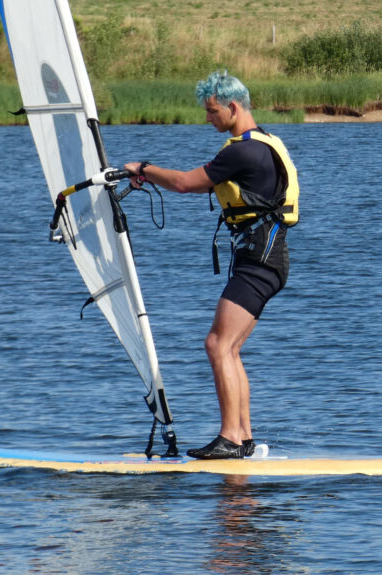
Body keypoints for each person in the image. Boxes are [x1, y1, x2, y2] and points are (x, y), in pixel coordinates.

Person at [124, 71, 299, 460]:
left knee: (217, 343)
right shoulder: (265, 143)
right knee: (230, 348)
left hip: (259, 261)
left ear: (233, 107)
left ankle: (231, 440)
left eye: (212, 111)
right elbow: (199, 184)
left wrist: (144, 168)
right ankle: (244, 438)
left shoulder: (242, 151)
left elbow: (186, 183)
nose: (208, 119)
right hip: (266, 260)